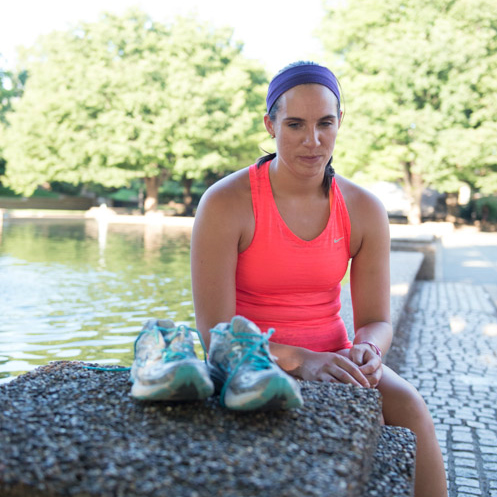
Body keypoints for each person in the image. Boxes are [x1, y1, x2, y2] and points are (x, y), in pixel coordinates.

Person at [190, 61, 448, 497]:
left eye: (325, 123)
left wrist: (368, 348)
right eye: (295, 125)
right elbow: (215, 335)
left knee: (410, 404)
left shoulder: (363, 208)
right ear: (270, 124)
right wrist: (299, 360)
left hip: (336, 358)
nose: (312, 141)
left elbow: (376, 320)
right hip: (254, 361)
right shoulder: (225, 203)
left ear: (340, 122)